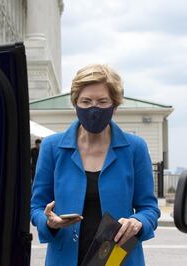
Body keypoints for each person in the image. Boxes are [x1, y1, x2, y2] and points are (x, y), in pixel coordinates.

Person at [31, 64, 160, 266]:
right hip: (64, 258)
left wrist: (138, 223)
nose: (93, 108)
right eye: (86, 101)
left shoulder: (135, 148)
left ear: (114, 105)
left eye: (102, 101)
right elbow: (36, 207)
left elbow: (149, 208)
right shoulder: (52, 147)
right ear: (75, 103)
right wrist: (49, 222)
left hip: (120, 258)